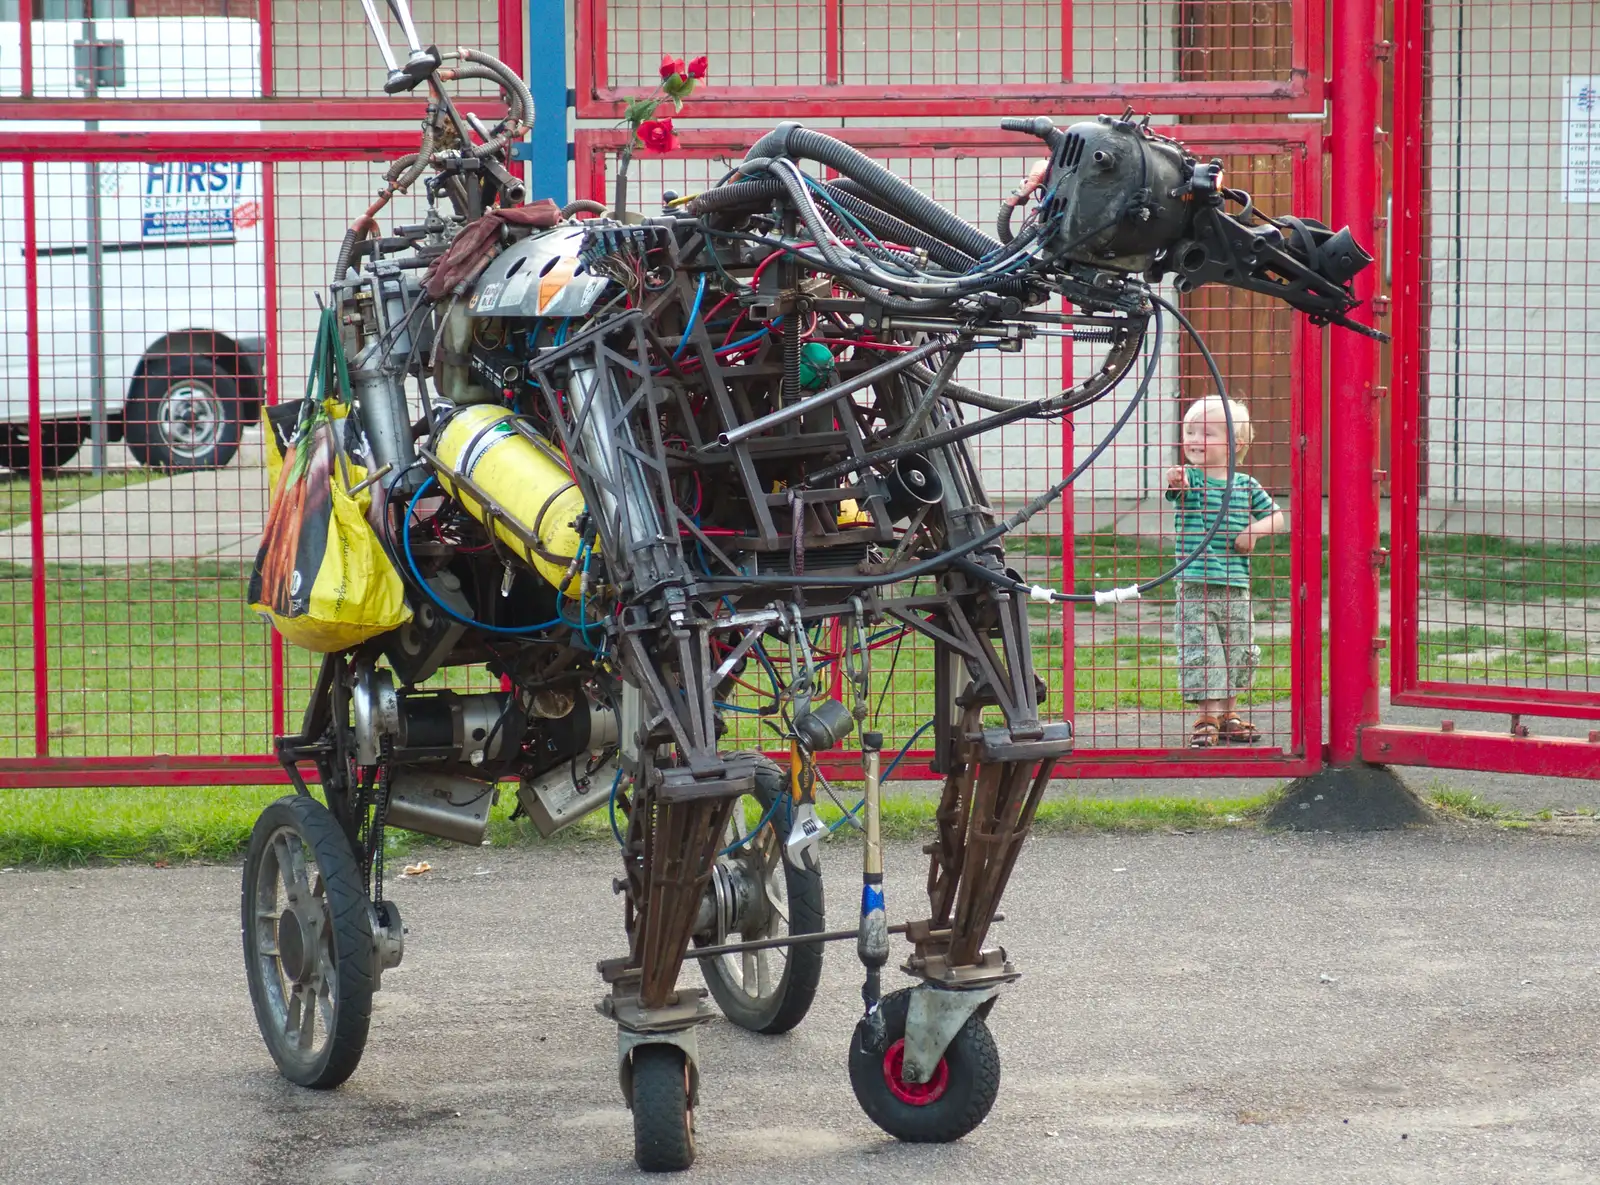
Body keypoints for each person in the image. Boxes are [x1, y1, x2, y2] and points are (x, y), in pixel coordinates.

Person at [1164, 395, 1287, 748]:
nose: (1194, 440)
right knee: (1203, 651)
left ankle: (1228, 714)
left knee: (1239, 650)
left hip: (1235, 584)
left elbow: (1276, 517)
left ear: (1237, 444)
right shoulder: (1191, 480)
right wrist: (1176, 481)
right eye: (1190, 431)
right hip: (1196, 585)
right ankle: (1206, 717)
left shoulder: (1246, 485)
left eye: (1207, 433)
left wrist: (1253, 532)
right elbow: (1178, 489)